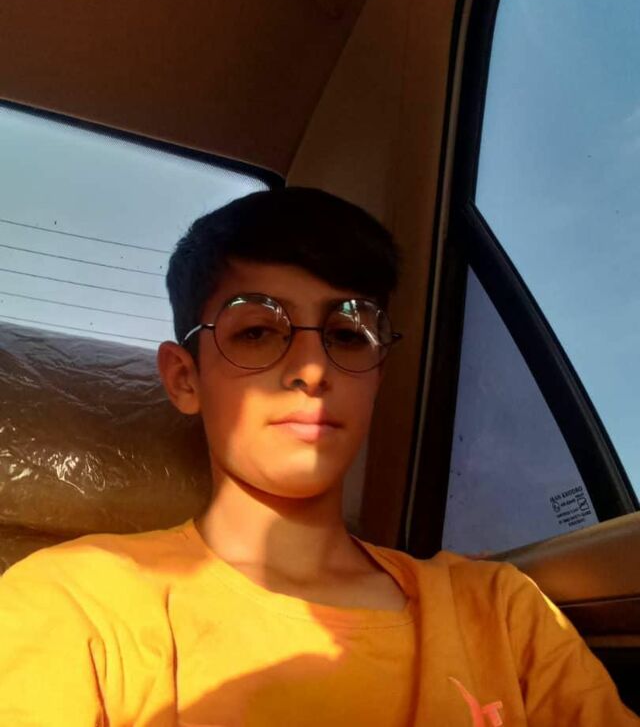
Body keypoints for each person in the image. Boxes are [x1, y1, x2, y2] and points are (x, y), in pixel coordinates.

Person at [0, 187, 636, 726]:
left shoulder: (502, 612)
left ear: (378, 373)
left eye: (346, 334)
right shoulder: (75, 603)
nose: (312, 368)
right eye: (257, 331)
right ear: (184, 378)